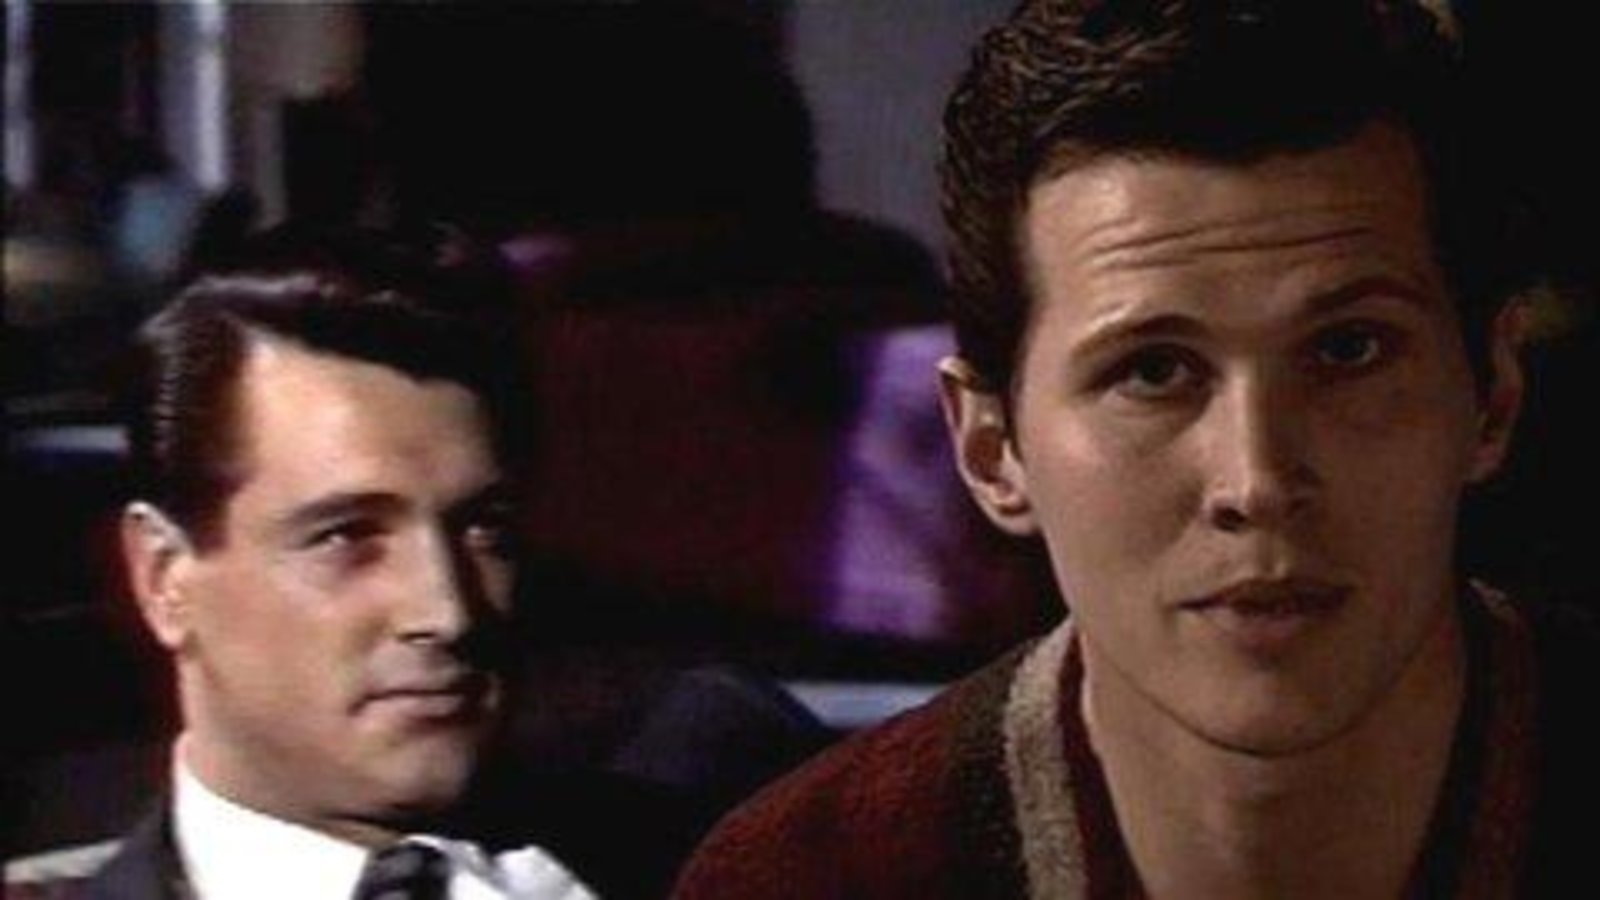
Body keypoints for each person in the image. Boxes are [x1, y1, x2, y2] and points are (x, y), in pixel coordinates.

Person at [673, 1, 1600, 897]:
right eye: (1154, 371)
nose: (1256, 480)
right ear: (991, 448)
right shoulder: (813, 878)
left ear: (1493, 397)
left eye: (1348, 350)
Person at [75, 226, 693, 900]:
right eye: (347, 535)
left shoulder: (718, 857)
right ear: (163, 577)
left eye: (483, 528)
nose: (447, 612)